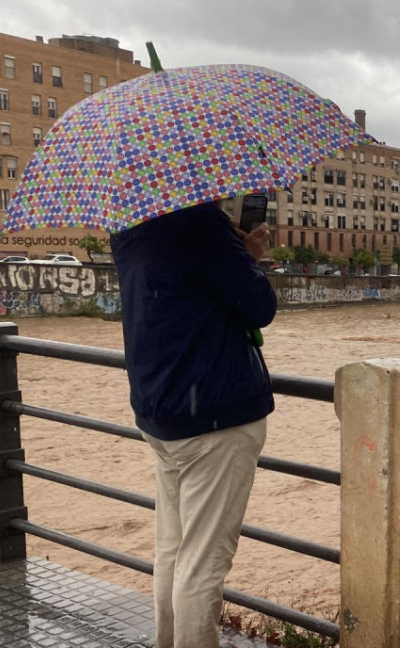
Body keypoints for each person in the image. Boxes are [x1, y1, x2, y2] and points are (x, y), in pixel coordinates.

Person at [111, 200, 276, 648]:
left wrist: (229, 251)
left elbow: (180, 294)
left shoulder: (128, 223)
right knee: (203, 564)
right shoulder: (202, 221)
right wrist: (248, 255)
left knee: (173, 550)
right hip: (214, 414)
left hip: (162, 409)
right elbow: (258, 305)